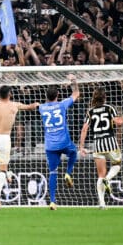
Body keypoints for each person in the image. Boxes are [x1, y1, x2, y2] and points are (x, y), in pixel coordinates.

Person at [0, 85, 39, 210]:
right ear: (10, 94)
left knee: (2, 164)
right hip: (4, 139)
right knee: (2, 169)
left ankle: (8, 173)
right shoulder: (14, 105)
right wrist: (37, 104)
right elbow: (29, 107)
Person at [78, 86, 123, 209]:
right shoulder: (110, 108)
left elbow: (84, 129)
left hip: (97, 143)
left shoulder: (90, 111)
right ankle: (108, 179)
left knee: (101, 174)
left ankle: (102, 203)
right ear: (105, 97)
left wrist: (81, 147)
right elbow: (118, 123)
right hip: (110, 141)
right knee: (117, 164)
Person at [39, 74, 80, 210]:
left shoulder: (42, 108)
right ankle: (68, 172)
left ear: (46, 96)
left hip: (50, 146)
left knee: (52, 172)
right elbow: (76, 93)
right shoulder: (62, 104)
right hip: (64, 142)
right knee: (74, 153)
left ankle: (52, 201)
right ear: (57, 95)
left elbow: (39, 104)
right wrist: (73, 81)